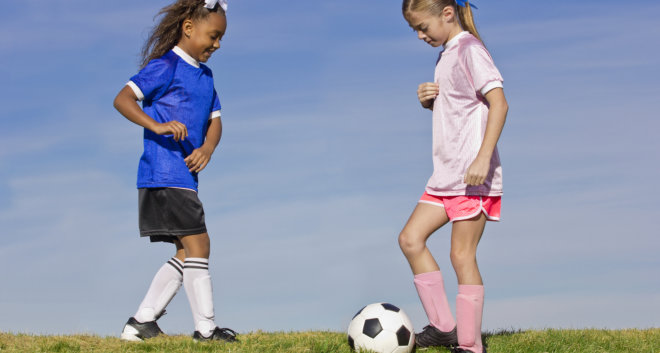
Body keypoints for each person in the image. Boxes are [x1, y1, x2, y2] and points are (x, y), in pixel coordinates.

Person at [113, 0, 237, 343]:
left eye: (221, 38)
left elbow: (216, 122)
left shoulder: (206, 76)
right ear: (188, 28)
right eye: (213, 36)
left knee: (186, 252)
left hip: (185, 178)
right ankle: (207, 330)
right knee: (200, 243)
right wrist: (157, 125)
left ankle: (141, 323)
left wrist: (207, 148)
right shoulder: (165, 66)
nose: (217, 44)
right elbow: (123, 99)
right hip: (163, 173)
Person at [398, 1, 508, 352]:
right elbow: (462, 105)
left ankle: (471, 345)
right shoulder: (445, 54)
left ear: (447, 13)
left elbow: (499, 103)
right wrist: (430, 101)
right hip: (444, 177)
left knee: (461, 255)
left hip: (472, 176)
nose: (419, 35)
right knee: (410, 239)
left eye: (422, 27)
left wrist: (483, 157)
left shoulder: (471, 51)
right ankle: (444, 327)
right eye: (414, 29)